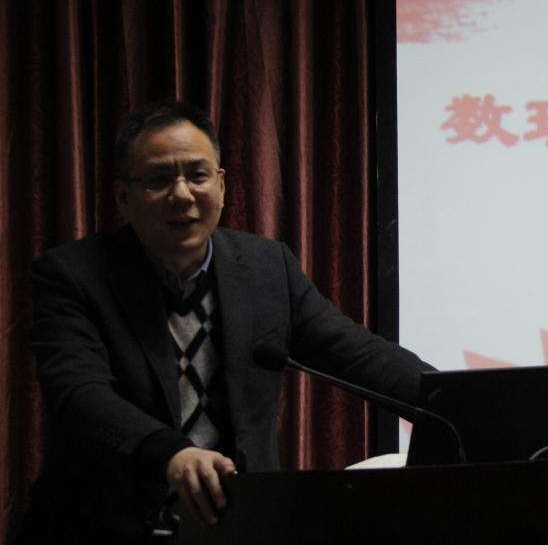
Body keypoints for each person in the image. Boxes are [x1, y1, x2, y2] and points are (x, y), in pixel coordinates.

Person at [19, 101, 432, 543]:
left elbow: (360, 355)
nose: (182, 195)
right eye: (159, 179)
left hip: (236, 524)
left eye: (197, 176)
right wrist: (171, 453)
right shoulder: (72, 276)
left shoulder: (266, 268)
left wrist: (458, 405)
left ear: (221, 185)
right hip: (106, 524)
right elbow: (80, 393)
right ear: (123, 196)